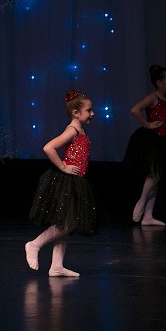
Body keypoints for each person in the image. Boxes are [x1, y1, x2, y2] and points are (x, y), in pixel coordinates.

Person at [25, 90, 96, 277]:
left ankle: (56, 266)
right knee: (68, 222)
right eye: (89, 110)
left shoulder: (80, 130)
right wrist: (63, 166)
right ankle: (35, 244)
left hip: (77, 181)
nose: (92, 113)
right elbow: (48, 147)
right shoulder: (72, 130)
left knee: (67, 222)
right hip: (68, 181)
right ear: (76, 113)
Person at [123, 64, 166, 226]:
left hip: (162, 140)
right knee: (155, 174)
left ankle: (147, 216)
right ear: (159, 82)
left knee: (157, 178)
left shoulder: (165, 98)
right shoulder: (154, 96)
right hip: (152, 140)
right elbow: (135, 109)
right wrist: (147, 124)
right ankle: (141, 201)